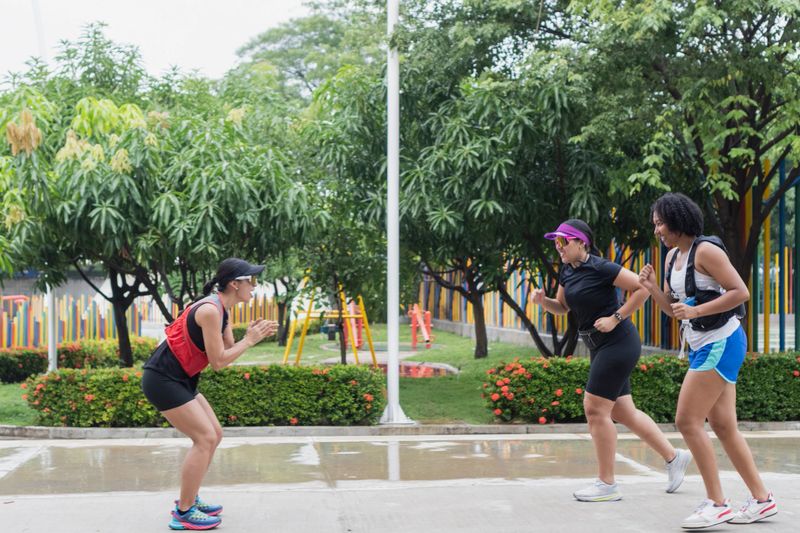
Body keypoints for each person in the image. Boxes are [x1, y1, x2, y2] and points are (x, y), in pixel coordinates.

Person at [639, 193, 777, 529]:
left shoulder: (707, 251)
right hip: (704, 344)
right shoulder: (673, 258)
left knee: (687, 421)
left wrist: (698, 310)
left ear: (678, 221)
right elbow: (675, 310)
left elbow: (739, 292)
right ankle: (762, 500)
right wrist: (654, 288)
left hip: (722, 341)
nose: (657, 229)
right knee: (724, 426)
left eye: (660, 222)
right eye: (655, 223)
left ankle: (717, 503)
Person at [534, 219, 692, 503]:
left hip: (618, 342)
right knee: (623, 411)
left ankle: (607, 484)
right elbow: (562, 307)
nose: (558, 248)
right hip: (599, 345)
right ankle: (674, 457)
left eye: (563, 242)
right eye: (555, 243)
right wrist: (542, 301)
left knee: (594, 409)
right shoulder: (567, 272)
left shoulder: (601, 267)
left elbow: (642, 288)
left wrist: (615, 317)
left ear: (581, 242)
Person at [141, 258, 278, 530]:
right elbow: (218, 363)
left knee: (214, 434)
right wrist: (249, 341)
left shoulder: (221, 309)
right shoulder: (210, 310)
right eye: (251, 280)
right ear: (234, 284)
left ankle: (189, 497)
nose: (254, 286)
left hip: (181, 379)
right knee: (204, 438)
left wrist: (245, 336)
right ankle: (183, 511)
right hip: (162, 379)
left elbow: (228, 348)